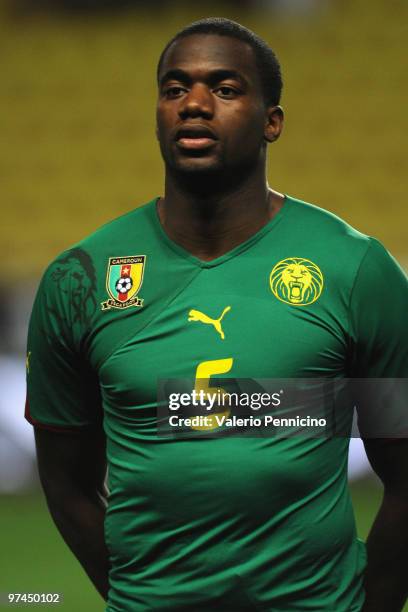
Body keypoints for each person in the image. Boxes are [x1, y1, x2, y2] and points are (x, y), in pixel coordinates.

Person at [25, 18, 408, 612]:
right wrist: (138, 594)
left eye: (225, 89)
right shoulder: (80, 279)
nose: (195, 105)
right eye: (175, 89)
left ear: (272, 121)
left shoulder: (356, 270)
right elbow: (65, 481)